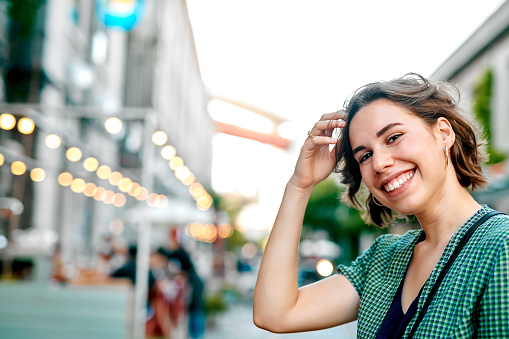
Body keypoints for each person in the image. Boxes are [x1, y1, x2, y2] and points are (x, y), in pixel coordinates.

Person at [253, 73, 509, 338]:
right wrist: (300, 186)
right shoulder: (384, 259)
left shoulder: (501, 247)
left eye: (393, 137)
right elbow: (275, 313)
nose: (379, 163)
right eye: (365, 155)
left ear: (443, 133)